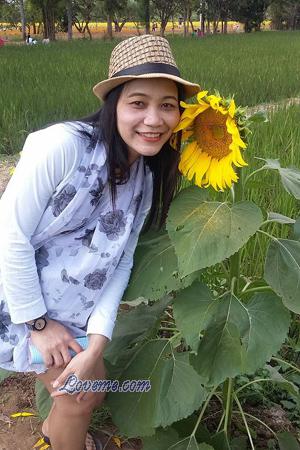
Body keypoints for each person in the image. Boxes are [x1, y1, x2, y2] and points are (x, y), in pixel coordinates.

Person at [0, 35, 199, 450]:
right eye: (139, 103)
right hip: (20, 302)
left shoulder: (144, 177)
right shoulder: (63, 146)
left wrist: (97, 343)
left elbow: (120, 261)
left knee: (92, 389)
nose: (155, 119)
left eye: (168, 105)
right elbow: (10, 234)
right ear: (114, 105)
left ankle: (55, 435)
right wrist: (38, 325)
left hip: (71, 316)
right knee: (79, 396)